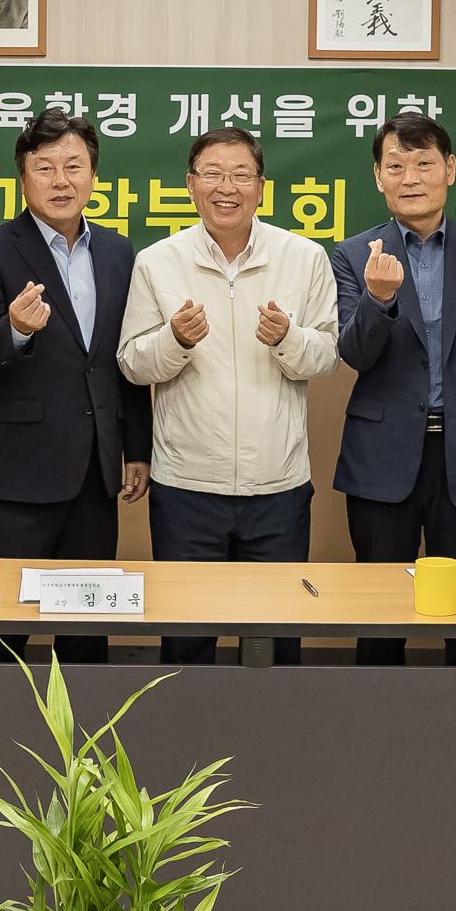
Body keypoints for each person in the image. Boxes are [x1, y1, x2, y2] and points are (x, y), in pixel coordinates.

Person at [119, 126, 338, 665]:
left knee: (276, 641)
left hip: (279, 487)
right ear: (190, 186)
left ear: (261, 187)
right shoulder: (157, 261)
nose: (227, 187)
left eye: (241, 175)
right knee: (186, 642)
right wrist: (174, 340)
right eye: (212, 174)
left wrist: (288, 338)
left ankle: (273, 746)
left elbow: (327, 355)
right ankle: (185, 747)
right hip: (188, 488)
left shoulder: (303, 257)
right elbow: (131, 362)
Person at [331, 112, 456, 668]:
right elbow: (354, 355)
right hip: (382, 460)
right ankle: (374, 733)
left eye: (424, 164)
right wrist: (376, 300)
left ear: (449, 170)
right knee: (379, 620)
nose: (411, 177)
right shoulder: (354, 254)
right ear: (378, 176)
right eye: (395, 165)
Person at [0, 108, 152, 666]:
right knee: (2, 629)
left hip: (94, 471)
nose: (60, 180)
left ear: (94, 175)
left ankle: (88, 747)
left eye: (74, 166)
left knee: (89, 625)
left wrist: (136, 448)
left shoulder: (117, 252)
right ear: (23, 178)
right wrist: (14, 330)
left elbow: (121, 360)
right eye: (45, 168)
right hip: (17, 473)